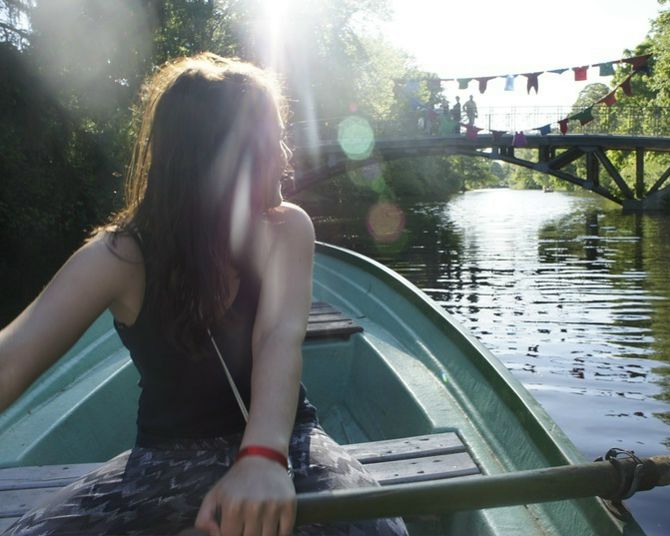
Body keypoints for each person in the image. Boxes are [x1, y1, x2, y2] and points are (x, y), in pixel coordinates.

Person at [0, 53, 407, 536]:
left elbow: (277, 338)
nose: (286, 156)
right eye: (273, 140)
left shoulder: (287, 229)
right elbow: (12, 360)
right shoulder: (121, 255)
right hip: (165, 460)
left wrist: (262, 456)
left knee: (379, 530)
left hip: (286, 441)